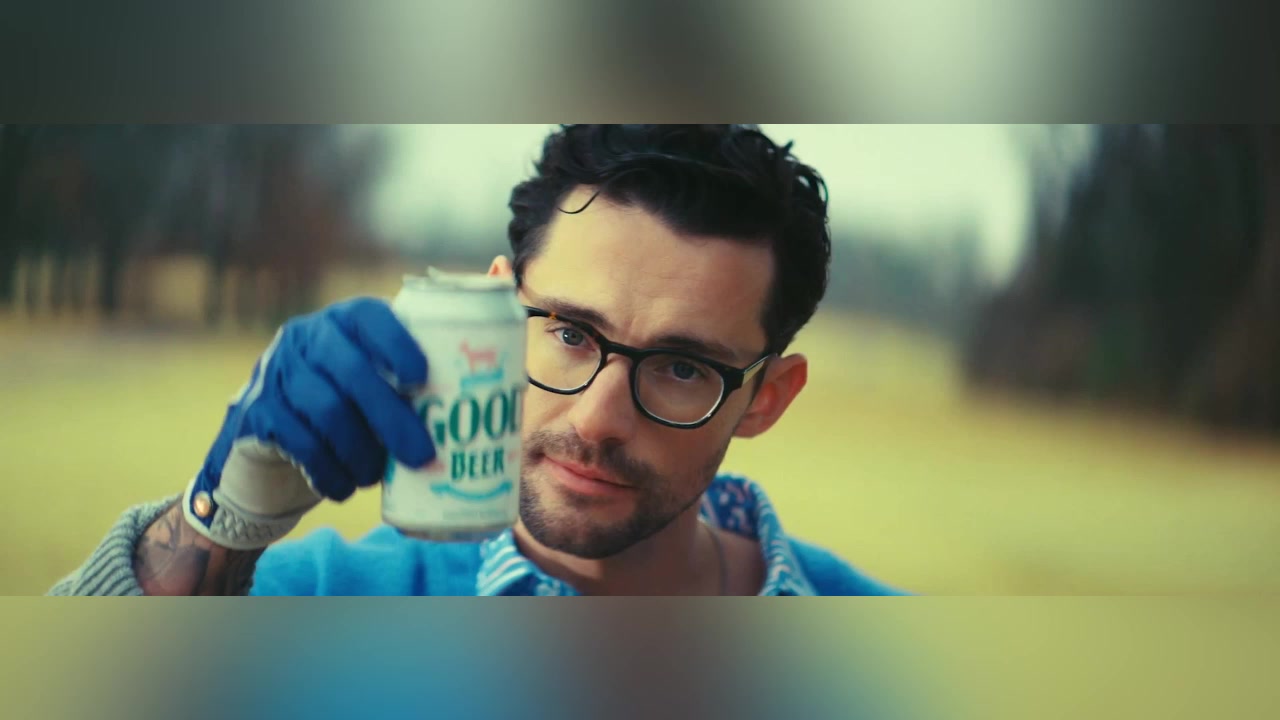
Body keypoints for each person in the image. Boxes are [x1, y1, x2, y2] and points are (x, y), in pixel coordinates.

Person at [49, 124, 908, 597]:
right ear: (498, 315)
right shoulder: (324, 596)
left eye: (683, 367)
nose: (598, 419)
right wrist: (219, 524)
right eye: (569, 331)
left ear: (766, 398)